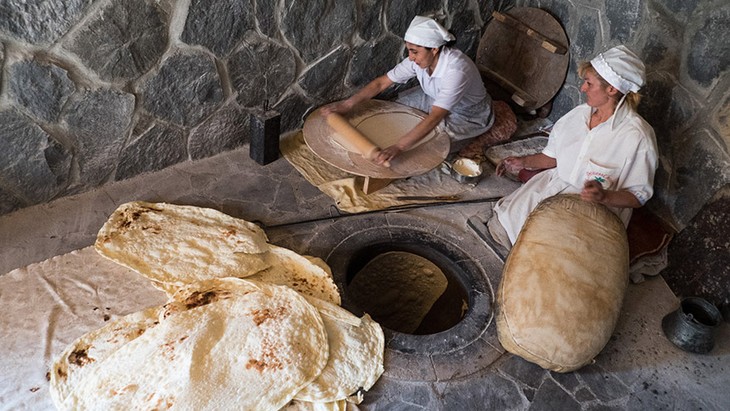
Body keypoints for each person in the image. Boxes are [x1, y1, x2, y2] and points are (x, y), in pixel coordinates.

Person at [489, 45, 658, 249]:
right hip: (555, 185)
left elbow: (638, 196)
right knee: (504, 223)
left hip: (594, 207)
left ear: (611, 89)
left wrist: (604, 196)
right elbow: (552, 158)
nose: (582, 88)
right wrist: (522, 162)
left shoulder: (638, 137)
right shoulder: (579, 115)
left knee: (548, 250)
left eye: (589, 83)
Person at [321, 15, 496, 166]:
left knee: (430, 144)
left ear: (434, 49)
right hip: (433, 98)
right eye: (409, 51)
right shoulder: (419, 60)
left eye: (414, 52)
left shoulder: (456, 70)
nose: (410, 57)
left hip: (468, 113)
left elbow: (435, 117)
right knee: (393, 110)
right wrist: (347, 105)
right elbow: (381, 83)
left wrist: (399, 147)